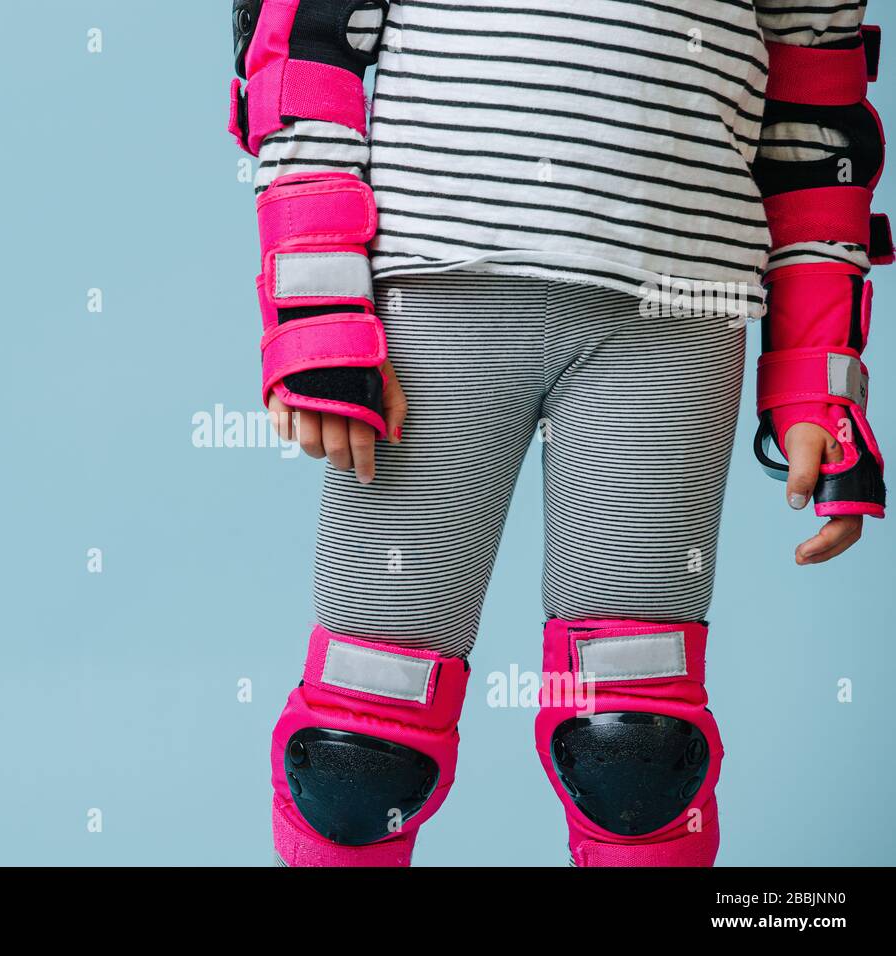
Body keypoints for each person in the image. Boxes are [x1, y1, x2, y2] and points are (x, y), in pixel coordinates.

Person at [228, 0, 888, 866]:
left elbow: (815, 120)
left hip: (678, 317)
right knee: (360, 756)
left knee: (638, 750)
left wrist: (815, 378)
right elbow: (305, 37)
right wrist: (316, 303)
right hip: (440, 291)